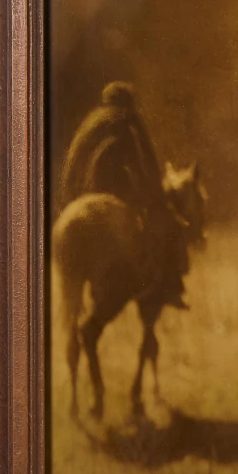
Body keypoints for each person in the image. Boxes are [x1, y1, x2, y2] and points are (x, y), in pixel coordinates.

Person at [58, 81, 189, 309]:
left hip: (80, 195)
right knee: (167, 228)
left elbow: (72, 164)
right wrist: (158, 200)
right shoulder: (130, 120)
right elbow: (145, 162)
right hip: (120, 193)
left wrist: (67, 201)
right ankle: (170, 288)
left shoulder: (91, 122)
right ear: (130, 103)